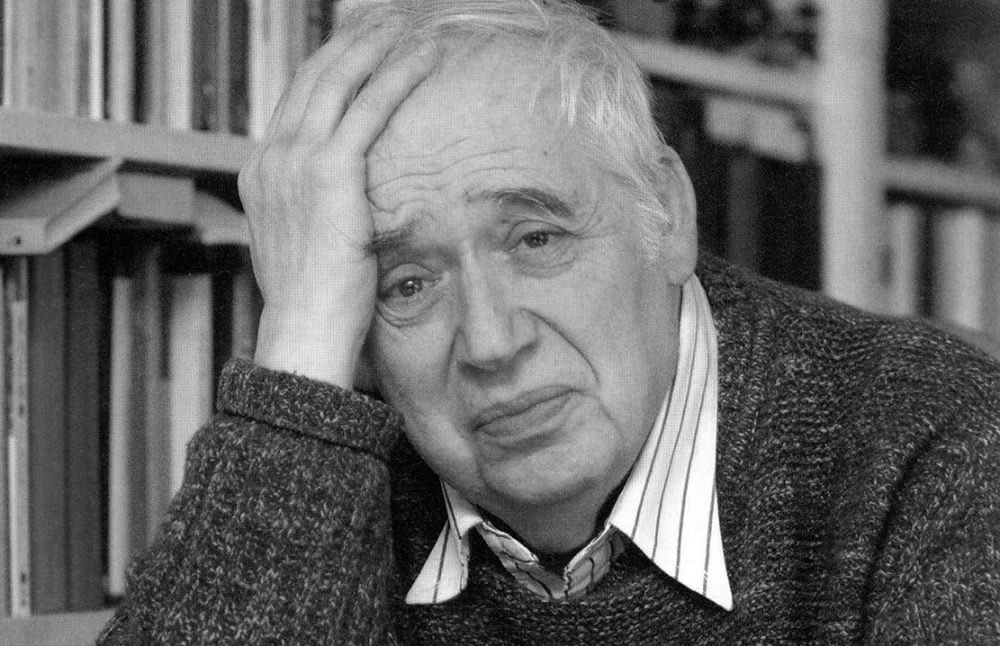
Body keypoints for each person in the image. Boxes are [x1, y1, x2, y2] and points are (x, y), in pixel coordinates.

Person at [99, 1, 1000, 643]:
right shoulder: (319, 474)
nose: (492, 344)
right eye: (406, 284)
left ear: (667, 214)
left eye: (536, 238)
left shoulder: (932, 436)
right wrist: (297, 358)